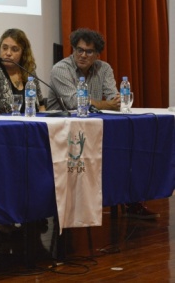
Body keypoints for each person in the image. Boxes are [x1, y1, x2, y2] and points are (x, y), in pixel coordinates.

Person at [48, 28, 158, 219]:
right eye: (79, 49)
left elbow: (115, 100)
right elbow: (74, 103)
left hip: (94, 125)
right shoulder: (60, 69)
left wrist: (107, 103)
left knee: (126, 147)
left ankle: (131, 200)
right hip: (63, 129)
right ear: (73, 49)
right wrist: (106, 104)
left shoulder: (104, 68)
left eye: (89, 51)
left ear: (97, 54)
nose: (83, 55)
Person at [0, 28, 46, 115]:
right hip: (2, 126)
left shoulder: (28, 71)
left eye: (14, 49)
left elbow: (41, 106)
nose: (8, 53)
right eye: (4, 48)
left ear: (23, 53)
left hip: (30, 125)